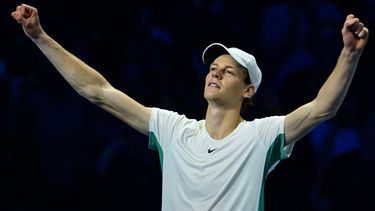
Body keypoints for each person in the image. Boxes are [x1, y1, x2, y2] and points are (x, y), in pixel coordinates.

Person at [11, 3, 369, 211]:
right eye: (213, 68)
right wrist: (40, 37)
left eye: (227, 72)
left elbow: (323, 107)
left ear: (248, 90)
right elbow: (99, 91)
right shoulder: (173, 130)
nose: (214, 72)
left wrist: (349, 54)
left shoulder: (263, 136)